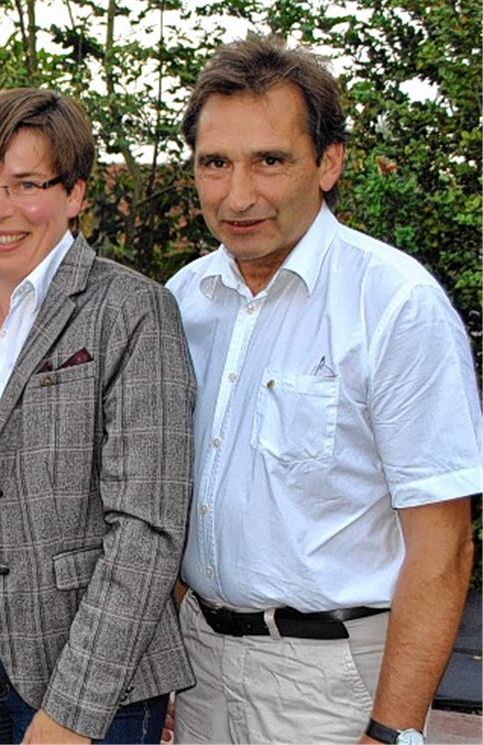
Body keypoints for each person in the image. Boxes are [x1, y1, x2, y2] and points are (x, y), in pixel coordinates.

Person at [166, 35, 481, 744]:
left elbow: (444, 548)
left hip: (335, 686)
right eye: (215, 163)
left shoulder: (394, 306)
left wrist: (392, 730)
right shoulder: (181, 302)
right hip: (201, 666)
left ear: (329, 162)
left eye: (269, 161)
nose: (237, 194)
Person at [0, 88, 196, 744]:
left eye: (27, 183)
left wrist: (73, 708)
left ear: (75, 195)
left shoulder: (130, 310)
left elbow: (148, 528)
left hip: (92, 675)